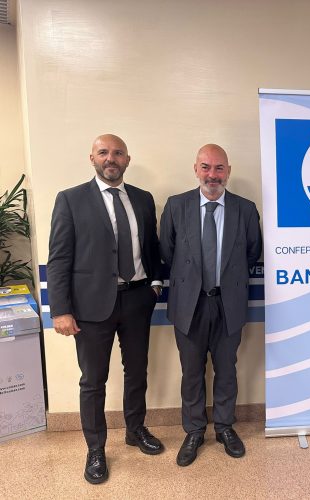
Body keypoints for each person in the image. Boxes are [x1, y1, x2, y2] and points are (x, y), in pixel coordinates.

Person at [48, 134, 164, 484]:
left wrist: (155, 284)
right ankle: (96, 448)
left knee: (137, 371)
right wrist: (60, 310)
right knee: (93, 380)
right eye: (103, 153)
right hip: (90, 307)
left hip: (137, 299)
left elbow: (151, 245)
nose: (110, 158)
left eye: (117, 153)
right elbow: (59, 258)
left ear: (127, 159)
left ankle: (135, 429)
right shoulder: (70, 199)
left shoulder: (143, 198)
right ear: (92, 158)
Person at [160, 144, 262, 467]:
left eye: (219, 168)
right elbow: (167, 252)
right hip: (188, 305)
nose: (212, 175)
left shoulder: (245, 209)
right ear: (196, 169)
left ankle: (224, 427)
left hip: (228, 303)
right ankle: (194, 431)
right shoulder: (176, 206)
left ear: (228, 171)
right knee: (191, 372)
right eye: (206, 167)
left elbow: (252, 252)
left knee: (227, 370)